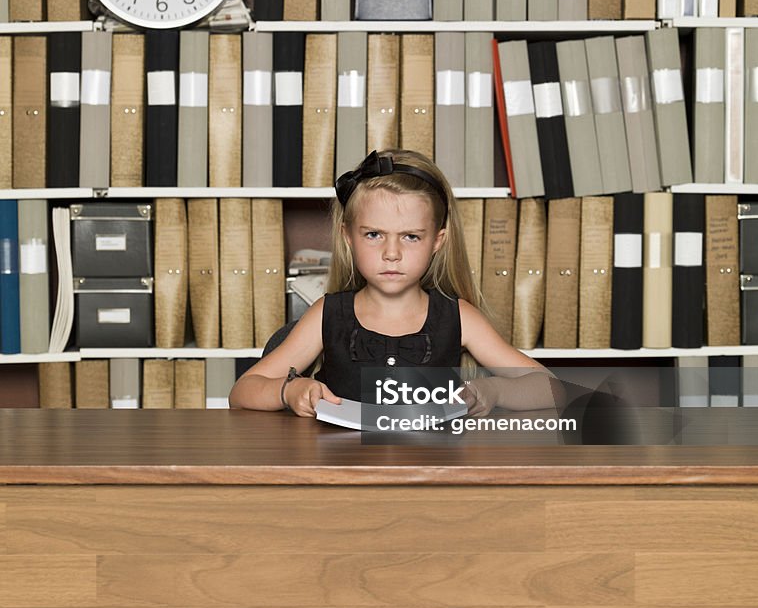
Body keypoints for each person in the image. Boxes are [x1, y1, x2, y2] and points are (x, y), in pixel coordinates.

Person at [229, 149, 559, 417]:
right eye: (374, 235)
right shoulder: (326, 314)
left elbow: (551, 387)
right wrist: (288, 391)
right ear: (348, 237)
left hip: (431, 474)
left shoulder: (459, 317)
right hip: (339, 474)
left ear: (437, 241)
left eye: (411, 237)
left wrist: (494, 389)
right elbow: (242, 392)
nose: (391, 253)